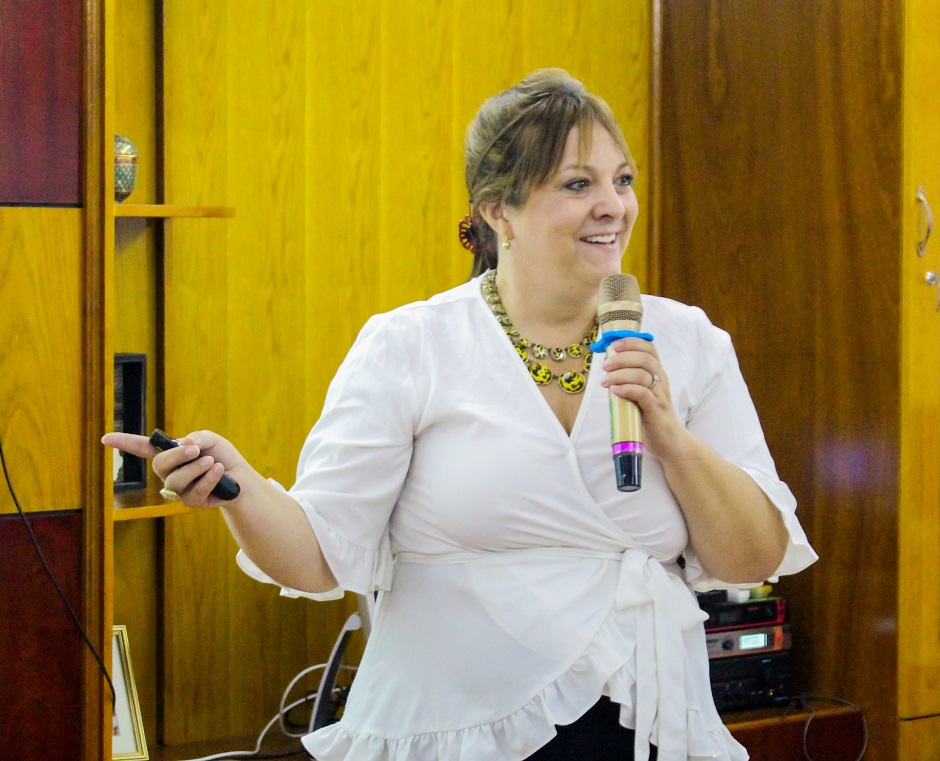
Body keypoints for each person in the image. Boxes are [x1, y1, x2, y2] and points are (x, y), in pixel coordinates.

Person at [104, 68, 817, 761]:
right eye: (578, 184)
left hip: (644, 729)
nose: (613, 206)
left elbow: (751, 558)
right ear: (498, 211)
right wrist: (238, 489)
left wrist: (672, 438)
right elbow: (319, 559)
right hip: (449, 733)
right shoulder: (411, 344)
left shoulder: (687, 341)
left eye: (622, 180)